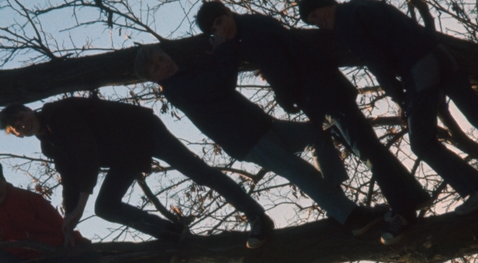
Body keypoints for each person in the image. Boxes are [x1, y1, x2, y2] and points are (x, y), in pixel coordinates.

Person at [195, 0, 433, 244]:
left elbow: (281, 67)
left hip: (326, 94)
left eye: (219, 22)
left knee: (366, 149)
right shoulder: (248, 32)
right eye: (213, 30)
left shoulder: (255, 31)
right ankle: (412, 197)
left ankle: (405, 209)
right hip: (319, 99)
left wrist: (285, 99)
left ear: (228, 13)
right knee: (364, 147)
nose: (220, 30)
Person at [134, 43, 388, 236]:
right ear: (154, 78)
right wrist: (225, 48)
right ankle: (353, 219)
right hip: (249, 140)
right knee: (302, 172)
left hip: (264, 126)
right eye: (156, 67)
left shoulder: (186, 73)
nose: (163, 64)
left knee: (317, 135)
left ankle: (337, 204)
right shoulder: (178, 89)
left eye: (161, 58)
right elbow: (221, 81)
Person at [298, 0, 478, 217]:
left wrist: (400, 99)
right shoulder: (364, 5)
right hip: (441, 55)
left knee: (422, 143)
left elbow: (377, 62)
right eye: (312, 21)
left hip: (419, 68)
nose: (317, 23)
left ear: (326, 4)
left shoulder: (345, 23)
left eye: (315, 14)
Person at [0, 97, 274, 249]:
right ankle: (174, 235)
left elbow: (87, 154)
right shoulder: (49, 145)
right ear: (18, 136)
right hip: (124, 155)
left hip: (143, 131)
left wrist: (80, 207)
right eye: (16, 128)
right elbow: (69, 177)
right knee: (106, 206)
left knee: (200, 174)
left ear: (28, 109)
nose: (23, 124)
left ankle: (257, 216)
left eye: (21, 117)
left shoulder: (58, 112)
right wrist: (69, 221)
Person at [0, 159, 165, 263]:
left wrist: (76, 242)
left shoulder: (29, 199)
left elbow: (60, 227)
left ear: (3, 180)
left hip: (53, 253)